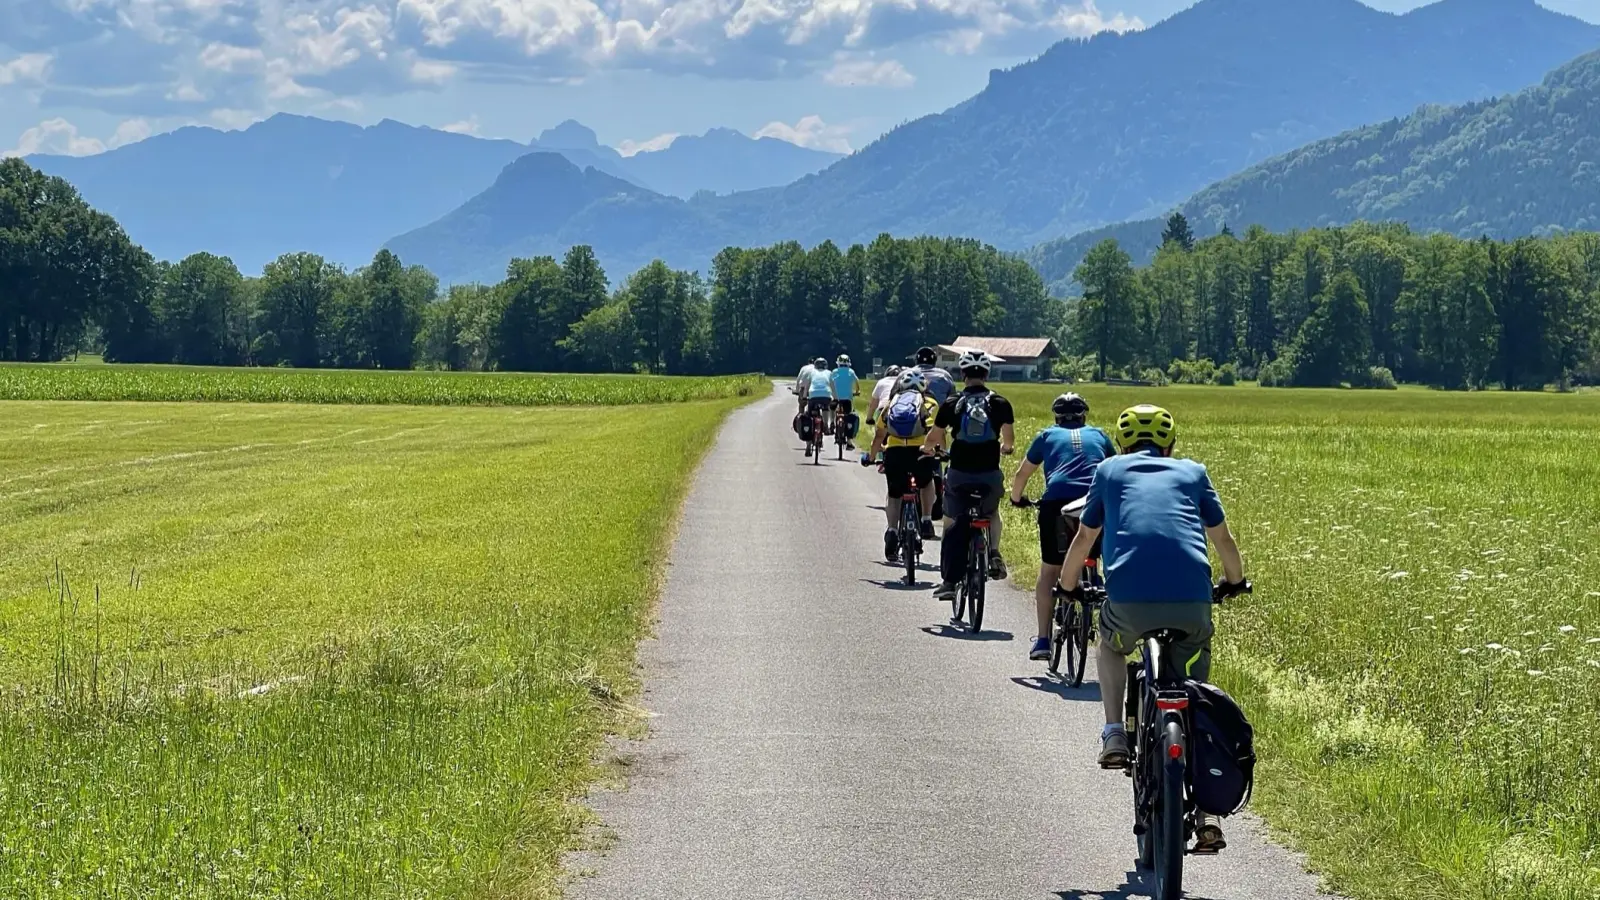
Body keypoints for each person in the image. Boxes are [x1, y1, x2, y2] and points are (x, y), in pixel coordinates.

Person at [1058, 404, 1246, 852]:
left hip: (1129, 600)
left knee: (1110, 645)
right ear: (1170, 443)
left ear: (1122, 444)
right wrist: (1235, 583)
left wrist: (1068, 588)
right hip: (1191, 602)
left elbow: (1085, 539)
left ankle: (1114, 733)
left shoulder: (1108, 470)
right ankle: (1206, 812)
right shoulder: (1193, 472)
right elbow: (1222, 538)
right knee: (1195, 689)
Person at [1009, 393, 1115, 661]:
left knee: (1050, 571)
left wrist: (1016, 498)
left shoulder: (1046, 436)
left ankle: (1043, 639)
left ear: (1056, 416)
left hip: (1056, 503)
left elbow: (1023, 474)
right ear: (1084, 415)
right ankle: (1095, 581)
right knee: (1094, 555)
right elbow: (1115, 467)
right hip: (1094, 501)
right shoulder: (1100, 435)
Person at [924, 350, 1014, 600]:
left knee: (951, 521)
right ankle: (994, 552)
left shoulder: (952, 403)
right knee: (992, 512)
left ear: (962, 374)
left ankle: (949, 582)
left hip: (959, 473)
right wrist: (1006, 449)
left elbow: (933, 436)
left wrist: (928, 449)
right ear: (986, 374)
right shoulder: (1000, 403)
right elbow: (1009, 441)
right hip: (989, 474)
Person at [867, 370, 941, 561]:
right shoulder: (930, 404)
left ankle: (892, 530)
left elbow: (879, 435)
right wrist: (939, 451)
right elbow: (937, 431)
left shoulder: (892, 403)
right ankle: (925, 520)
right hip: (920, 451)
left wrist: (871, 456)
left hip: (895, 452)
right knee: (926, 483)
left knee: (894, 494)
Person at [803, 357, 836, 455]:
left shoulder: (812, 373)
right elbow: (833, 386)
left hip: (813, 396)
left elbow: (807, 386)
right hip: (826, 395)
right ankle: (825, 425)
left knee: (809, 418)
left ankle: (808, 446)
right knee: (826, 408)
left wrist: (805, 396)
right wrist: (835, 398)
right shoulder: (829, 373)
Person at [831, 354, 861, 450]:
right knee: (848, 416)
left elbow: (829, 382)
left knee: (832, 409)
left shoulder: (834, 372)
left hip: (835, 397)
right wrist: (857, 391)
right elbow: (857, 382)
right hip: (847, 398)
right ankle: (849, 441)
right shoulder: (851, 372)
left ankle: (832, 423)